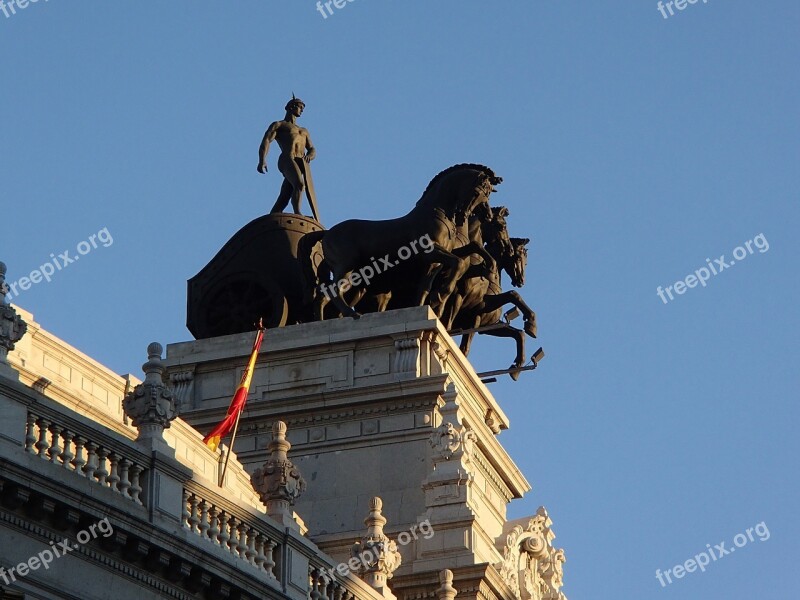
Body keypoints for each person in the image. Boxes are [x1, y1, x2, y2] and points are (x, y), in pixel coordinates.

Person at [257, 96, 320, 222]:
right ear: (291, 107)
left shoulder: (304, 131)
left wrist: (310, 156)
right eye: (300, 107)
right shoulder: (279, 125)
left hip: (300, 162)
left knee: (285, 194)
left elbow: (312, 148)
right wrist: (262, 160)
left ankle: (274, 214)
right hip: (287, 158)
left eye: (303, 108)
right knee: (299, 184)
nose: (301, 110)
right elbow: (267, 141)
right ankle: (298, 213)